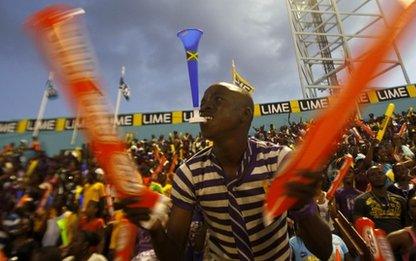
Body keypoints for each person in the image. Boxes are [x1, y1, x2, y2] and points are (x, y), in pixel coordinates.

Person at [122, 82, 332, 260]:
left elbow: (324, 251)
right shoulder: (189, 173)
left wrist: (303, 209)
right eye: (203, 103)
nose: (204, 108)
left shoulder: (279, 160)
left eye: (217, 100)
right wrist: (156, 230)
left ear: (245, 114)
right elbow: (174, 254)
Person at [353, 164, 407, 234]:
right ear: (368, 179)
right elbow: (359, 226)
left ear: (385, 176)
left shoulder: (400, 200)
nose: (377, 176)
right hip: (375, 241)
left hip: (400, 240)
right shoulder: (361, 200)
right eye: (373, 174)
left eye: (380, 173)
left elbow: (407, 225)